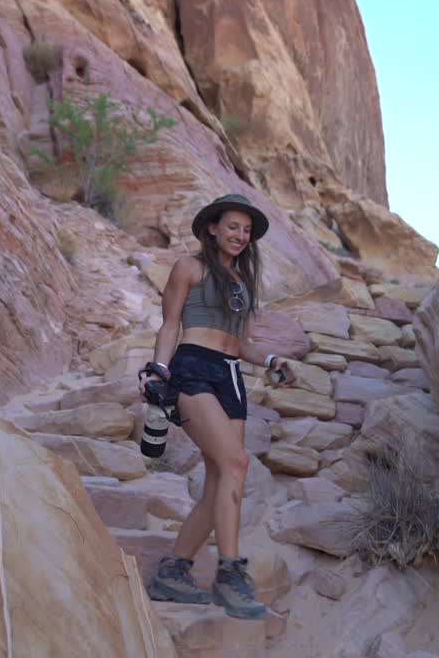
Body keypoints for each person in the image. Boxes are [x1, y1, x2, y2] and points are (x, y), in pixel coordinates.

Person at [142, 193, 294, 621]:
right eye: (233, 227)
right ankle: (230, 574)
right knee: (237, 462)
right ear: (212, 227)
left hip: (231, 377)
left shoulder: (242, 285)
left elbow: (239, 343)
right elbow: (171, 323)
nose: (240, 236)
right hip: (192, 369)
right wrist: (157, 370)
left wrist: (269, 361)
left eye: (246, 231)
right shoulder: (188, 268)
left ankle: (174, 572)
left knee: (222, 480)